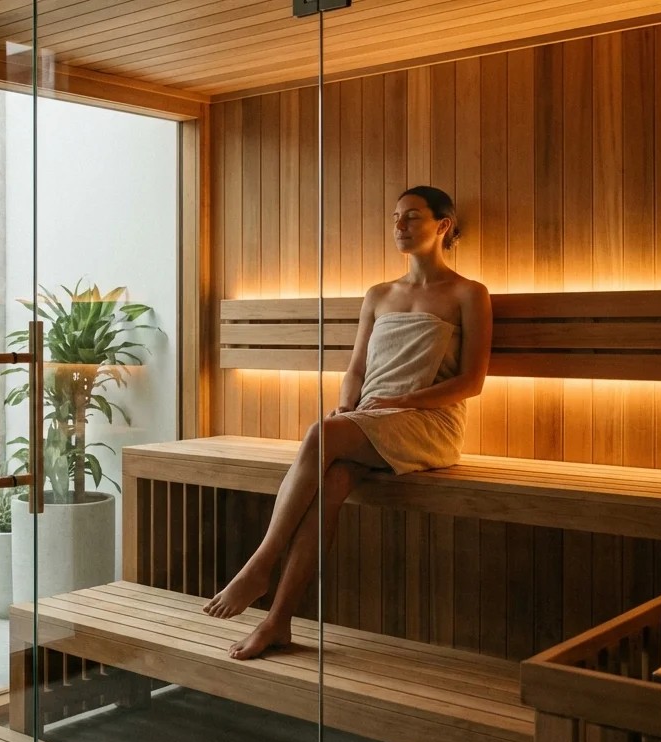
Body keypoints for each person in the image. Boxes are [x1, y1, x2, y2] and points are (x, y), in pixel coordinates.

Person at [202, 186, 493, 660]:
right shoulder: (379, 294)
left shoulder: (469, 293)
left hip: (429, 424)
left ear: (443, 226)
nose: (400, 225)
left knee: (320, 434)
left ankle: (261, 563)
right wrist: (347, 407)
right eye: (396, 217)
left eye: (413, 217)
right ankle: (278, 622)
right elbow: (356, 368)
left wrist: (402, 400)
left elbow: (472, 382)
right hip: (371, 421)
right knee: (333, 481)